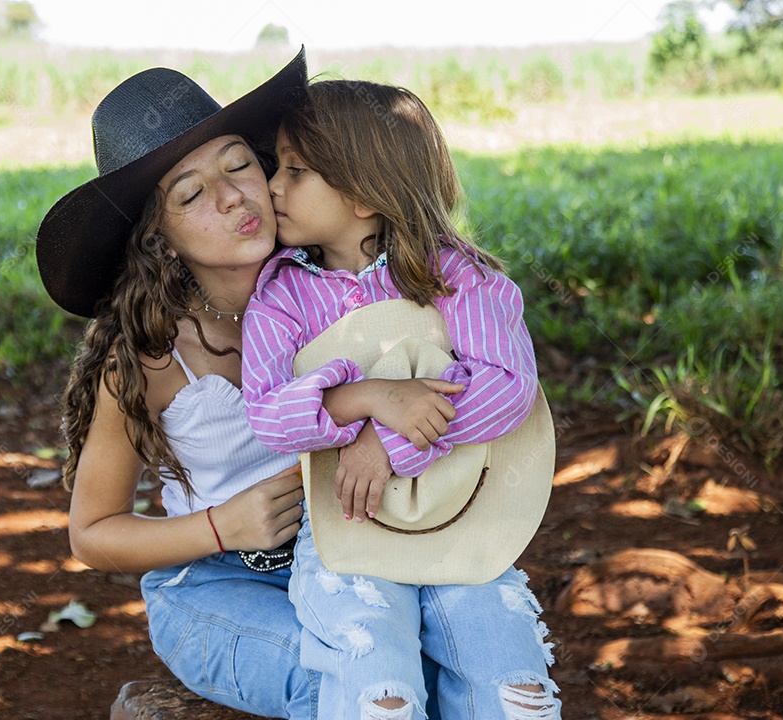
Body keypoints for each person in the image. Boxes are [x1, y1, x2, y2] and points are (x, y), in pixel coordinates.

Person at [241, 79, 562, 719]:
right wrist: (370, 397)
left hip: (465, 522)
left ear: (362, 193)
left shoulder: (458, 277)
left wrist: (384, 444)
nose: (271, 185)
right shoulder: (283, 296)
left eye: (295, 170)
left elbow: (508, 386)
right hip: (347, 534)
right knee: (379, 686)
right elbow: (270, 416)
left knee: (510, 684)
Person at [35, 50, 318, 719]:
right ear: (160, 237)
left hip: (342, 557)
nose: (230, 198)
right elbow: (93, 533)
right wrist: (225, 525)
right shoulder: (150, 360)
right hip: (210, 584)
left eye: (237, 164)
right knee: (334, 678)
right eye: (190, 194)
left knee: (420, 665)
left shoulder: (328, 290)